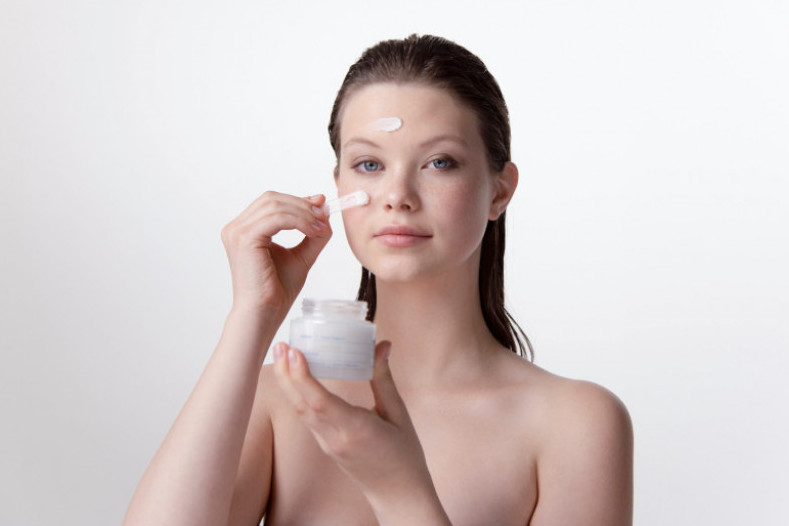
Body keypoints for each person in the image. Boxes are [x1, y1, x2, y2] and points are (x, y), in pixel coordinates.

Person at [123, 34, 633, 525]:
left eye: (439, 162)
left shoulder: (575, 424)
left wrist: (400, 489)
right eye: (369, 164)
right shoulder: (278, 399)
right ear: (338, 184)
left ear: (499, 191)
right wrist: (253, 315)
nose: (397, 195)